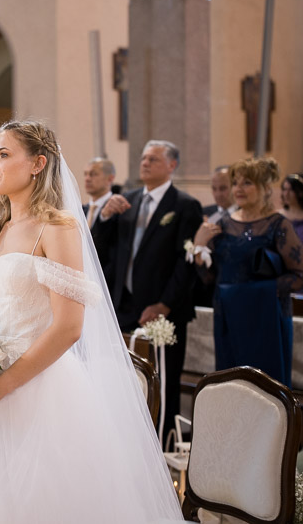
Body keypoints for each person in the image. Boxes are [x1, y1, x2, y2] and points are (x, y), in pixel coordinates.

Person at [0, 120, 182, 523]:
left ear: (37, 163)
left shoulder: (57, 227)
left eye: (3, 155)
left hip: (39, 388)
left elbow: (70, 327)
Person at [91, 139, 202, 443]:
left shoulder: (184, 206)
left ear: (171, 165)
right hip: (123, 306)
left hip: (161, 311)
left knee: (162, 382)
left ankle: (162, 442)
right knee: (123, 379)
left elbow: (185, 262)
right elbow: (100, 250)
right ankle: (126, 441)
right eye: (143, 158)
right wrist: (104, 217)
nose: (145, 163)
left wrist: (165, 304)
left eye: (153, 159)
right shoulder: (126, 200)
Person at [192, 158, 303, 387]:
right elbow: (210, 278)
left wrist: (256, 292)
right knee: (230, 383)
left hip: (268, 317)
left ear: (264, 188)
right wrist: (198, 247)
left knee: (267, 387)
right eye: (236, 183)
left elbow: (298, 275)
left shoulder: (278, 225)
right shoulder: (223, 224)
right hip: (230, 317)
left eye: (247, 183)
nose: (238, 189)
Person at [82, 157, 115, 228]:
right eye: (85, 174)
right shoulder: (81, 210)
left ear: (110, 179)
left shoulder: (116, 210)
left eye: (93, 174)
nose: (87, 179)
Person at [280, 173, 303, 243]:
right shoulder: (278, 216)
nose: (286, 194)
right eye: (284, 189)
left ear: (300, 192)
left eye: (291, 190)